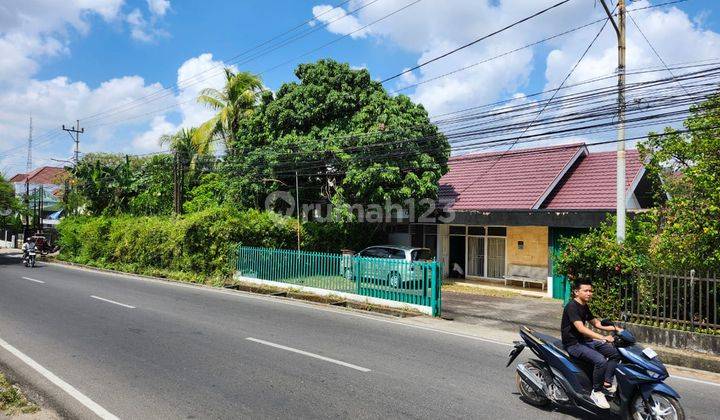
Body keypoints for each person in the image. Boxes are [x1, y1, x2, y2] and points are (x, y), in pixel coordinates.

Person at [561, 278, 622, 409]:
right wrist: (603, 337)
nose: (589, 293)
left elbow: (597, 323)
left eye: (590, 291)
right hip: (573, 344)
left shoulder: (584, 306)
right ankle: (597, 391)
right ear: (576, 292)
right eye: (586, 291)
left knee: (615, 354)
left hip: (586, 342)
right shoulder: (571, 306)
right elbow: (581, 328)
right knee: (601, 361)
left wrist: (615, 329)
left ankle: (606, 382)